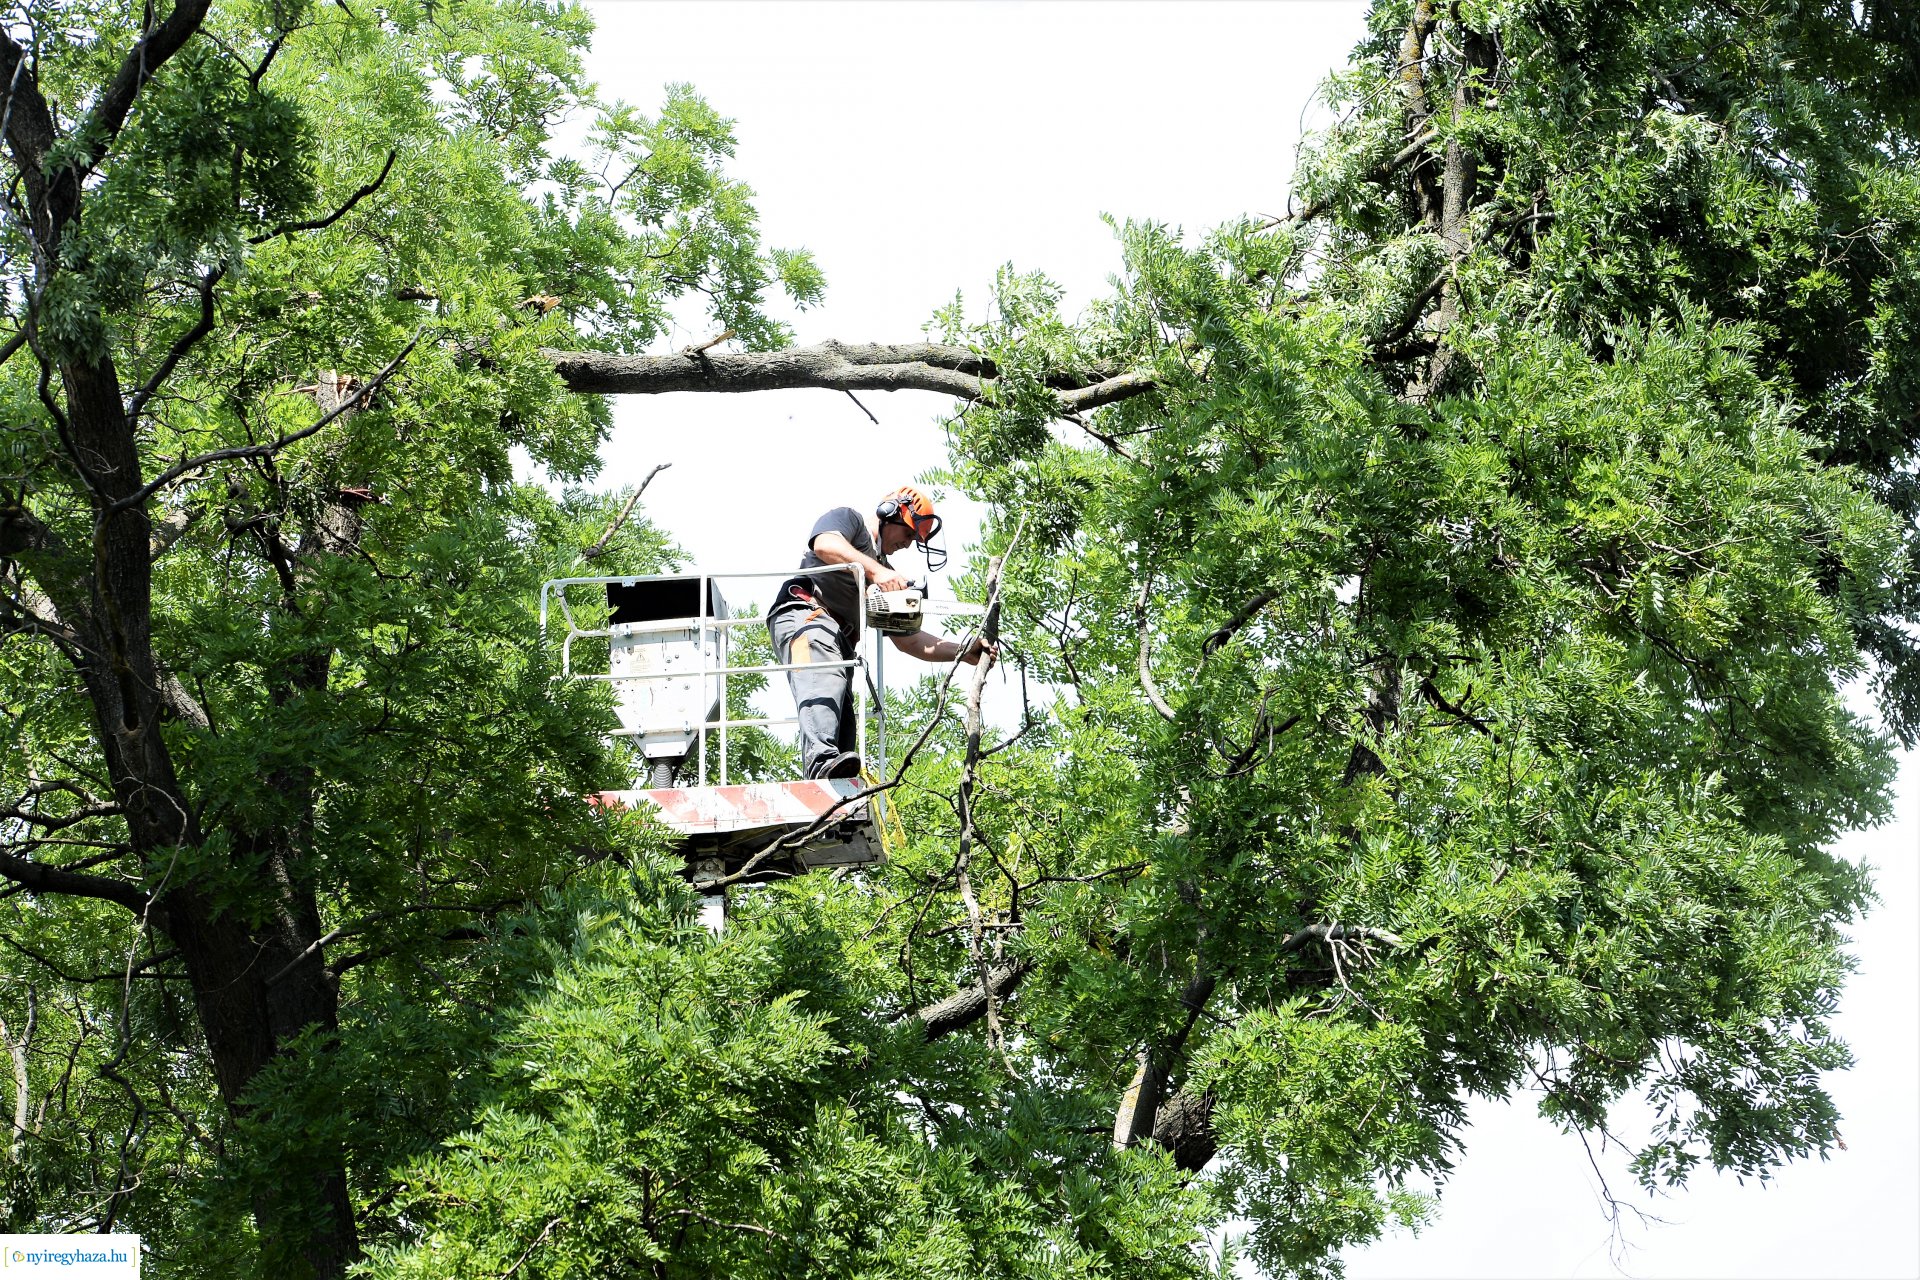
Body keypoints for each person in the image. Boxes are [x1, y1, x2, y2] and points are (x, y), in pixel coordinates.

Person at [767, 486, 994, 779]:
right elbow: (824, 544)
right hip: (806, 618)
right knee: (824, 679)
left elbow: (910, 641)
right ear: (890, 513)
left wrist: (962, 651)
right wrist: (876, 573)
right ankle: (821, 763)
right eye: (909, 534)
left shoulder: (883, 572)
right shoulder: (850, 522)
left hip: (839, 640)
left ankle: (836, 784)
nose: (908, 544)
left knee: (842, 717)